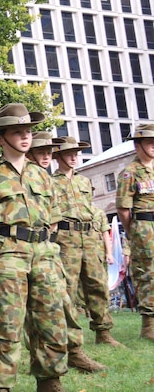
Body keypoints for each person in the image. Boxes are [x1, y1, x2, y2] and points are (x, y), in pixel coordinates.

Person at [0, 103, 67, 392]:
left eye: (28, 131)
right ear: (1, 138)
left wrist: (43, 245)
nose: (25, 137)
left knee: (51, 320)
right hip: (9, 256)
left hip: (45, 256)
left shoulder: (42, 174)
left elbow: (55, 218)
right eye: (17, 132)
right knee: (5, 326)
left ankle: (50, 381)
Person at [26, 132, 106, 373]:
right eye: (41, 152)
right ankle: (38, 355)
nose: (46, 157)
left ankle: (75, 349)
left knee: (70, 295)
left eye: (48, 152)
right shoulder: (30, 178)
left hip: (55, 243)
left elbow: (53, 215)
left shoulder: (70, 181)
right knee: (36, 304)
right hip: (26, 247)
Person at [52, 137, 124, 348]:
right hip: (66, 239)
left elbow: (90, 209)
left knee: (97, 285)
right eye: (69, 153)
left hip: (90, 237)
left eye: (76, 153)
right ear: (58, 156)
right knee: (67, 289)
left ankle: (104, 331)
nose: (74, 157)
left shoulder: (83, 181)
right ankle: (69, 338)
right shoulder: (50, 183)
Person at [116, 123, 154, 341]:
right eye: (149, 142)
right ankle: (149, 326)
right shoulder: (130, 172)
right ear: (138, 145)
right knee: (148, 273)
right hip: (144, 226)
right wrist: (134, 231)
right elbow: (123, 208)